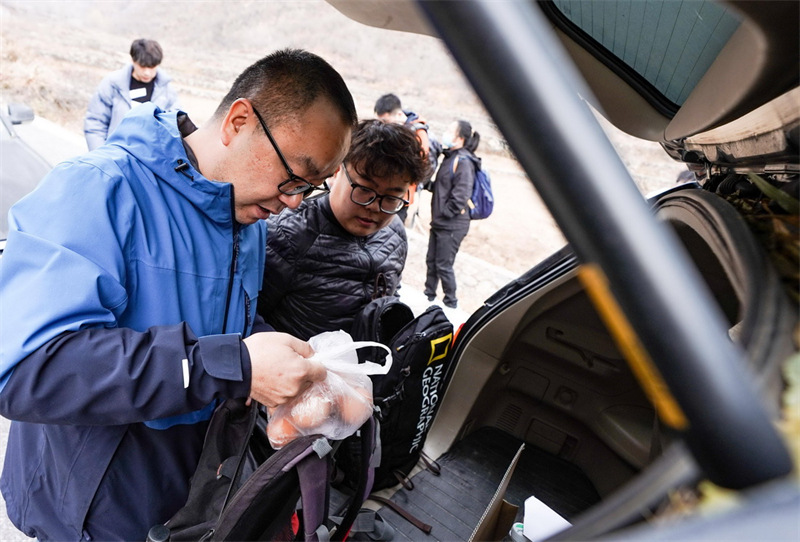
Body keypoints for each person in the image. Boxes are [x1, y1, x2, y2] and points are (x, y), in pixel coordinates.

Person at [0, 48, 356, 541]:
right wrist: (232, 365)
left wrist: (299, 364)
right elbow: (28, 370)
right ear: (238, 121)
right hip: (92, 501)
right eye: (295, 175)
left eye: (312, 188)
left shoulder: (245, 216)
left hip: (186, 494)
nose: (294, 201)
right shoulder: (99, 189)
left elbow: (222, 326)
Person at [258, 119, 430, 340]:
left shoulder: (394, 233)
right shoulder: (289, 235)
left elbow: (391, 295)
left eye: (391, 198)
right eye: (364, 190)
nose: (374, 207)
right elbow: (250, 317)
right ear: (337, 170)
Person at [424, 120, 480, 309]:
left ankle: (450, 304)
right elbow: (444, 188)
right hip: (440, 221)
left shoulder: (463, 162)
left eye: (450, 130)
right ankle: (428, 296)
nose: (446, 133)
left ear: (460, 138)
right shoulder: (450, 157)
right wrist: (427, 185)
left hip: (453, 224)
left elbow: (460, 196)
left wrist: (445, 213)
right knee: (431, 261)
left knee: (443, 266)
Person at [84, 38, 179, 150]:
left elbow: (174, 128)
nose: (147, 72)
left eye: (152, 67)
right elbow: (95, 123)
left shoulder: (167, 91)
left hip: (148, 160)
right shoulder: (113, 83)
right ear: (133, 61)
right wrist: (100, 156)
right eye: (143, 66)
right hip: (112, 155)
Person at [374, 93, 440, 223]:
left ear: (399, 115)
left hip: (399, 198)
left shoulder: (417, 134)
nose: (383, 125)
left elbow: (421, 165)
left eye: (386, 121)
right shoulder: (397, 129)